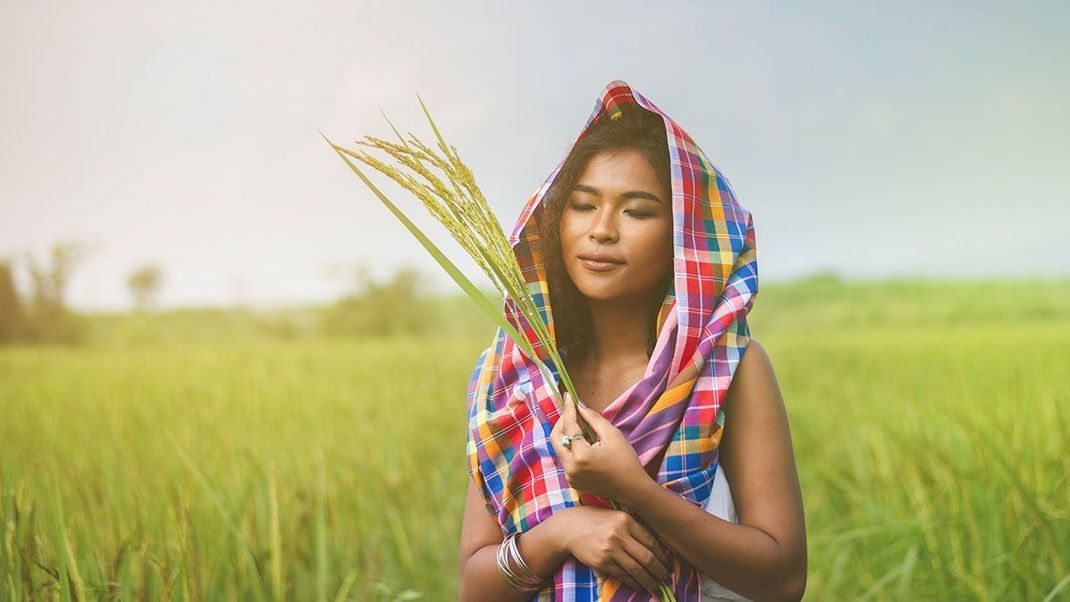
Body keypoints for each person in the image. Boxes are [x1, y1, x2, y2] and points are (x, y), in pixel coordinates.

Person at [459, 80, 806, 601]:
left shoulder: (725, 367)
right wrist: (562, 532)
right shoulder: (516, 375)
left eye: (637, 211)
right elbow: (474, 588)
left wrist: (634, 491)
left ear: (683, 236)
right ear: (555, 221)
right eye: (582, 205)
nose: (601, 230)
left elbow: (783, 580)